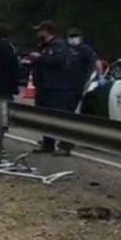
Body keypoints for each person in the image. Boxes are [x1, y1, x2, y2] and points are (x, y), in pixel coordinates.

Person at [30, 21, 75, 155]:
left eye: (40, 31)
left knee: (59, 117)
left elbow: (58, 62)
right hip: (44, 86)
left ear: (47, 31)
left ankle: (65, 146)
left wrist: (40, 58)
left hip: (56, 87)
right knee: (44, 117)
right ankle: (48, 144)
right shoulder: (43, 46)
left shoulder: (59, 46)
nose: (38, 34)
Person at [67, 28, 102, 96]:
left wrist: (100, 76)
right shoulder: (65, 48)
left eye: (75, 36)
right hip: (67, 82)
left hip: (81, 81)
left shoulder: (85, 49)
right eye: (71, 36)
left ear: (80, 38)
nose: (73, 38)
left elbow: (97, 62)